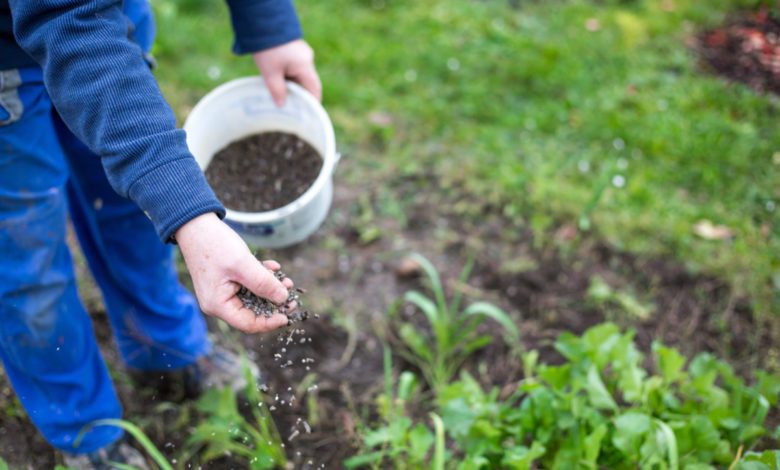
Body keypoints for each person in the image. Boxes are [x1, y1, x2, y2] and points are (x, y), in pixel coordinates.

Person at [0, 0, 322, 467]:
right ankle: (84, 429)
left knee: (132, 207)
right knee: (29, 258)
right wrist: (190, 215)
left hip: (112, 18)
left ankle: (165, 347)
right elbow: (70, 19)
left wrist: (268, 24)